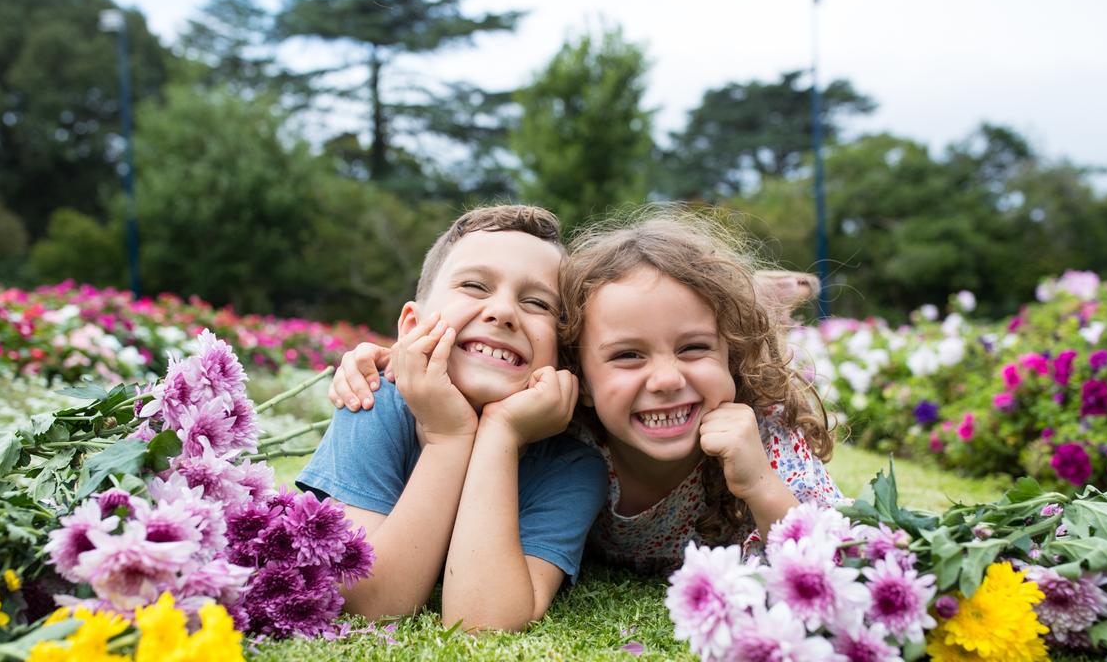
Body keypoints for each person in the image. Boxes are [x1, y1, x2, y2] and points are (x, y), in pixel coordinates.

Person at [331, 208, 840, 576]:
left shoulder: (762, 435)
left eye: (693, 349)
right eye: (627, 355)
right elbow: (494, 368)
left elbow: (846, 558)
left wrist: (759, 485)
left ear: (732, 355)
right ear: (580, 373)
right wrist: (390, 357)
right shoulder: (568, 429)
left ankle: (764, 298)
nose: (665, 380)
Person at [295, 205, 608, 631]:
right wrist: (449, 436)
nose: (503, 312)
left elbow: (484, 623)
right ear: (411, 326)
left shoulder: (572, 466)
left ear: (565, 352)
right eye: (475, 286)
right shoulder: (374, 402)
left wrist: (501, 434)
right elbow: (369, 604)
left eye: (537, 303)